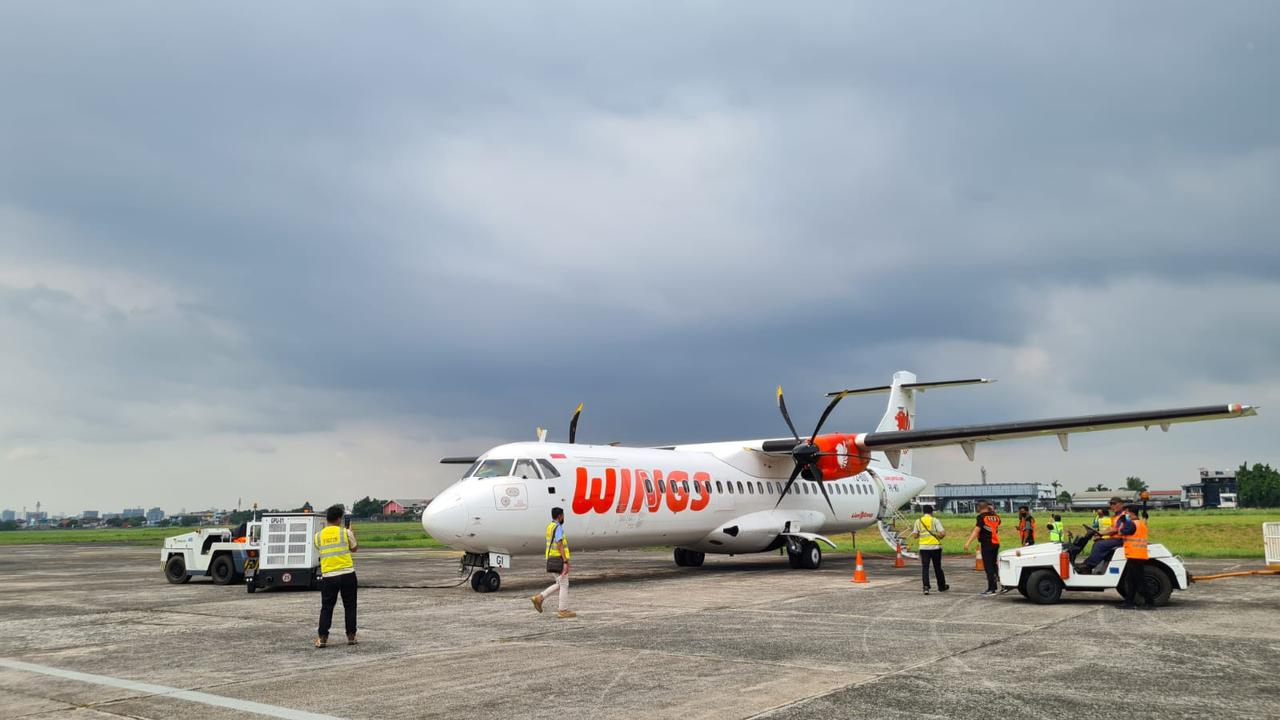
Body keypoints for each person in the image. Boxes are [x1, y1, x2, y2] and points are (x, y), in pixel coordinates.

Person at [313, 504, 358, 648]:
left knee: (327, 607)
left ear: (327, 519)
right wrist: (352, 533)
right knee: (350, 606)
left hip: (329, 576)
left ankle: (322, 638)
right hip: (347, 574)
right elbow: (354, 548)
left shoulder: (318, 536)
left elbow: (320, 548)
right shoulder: (345, 533)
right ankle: (351, 636)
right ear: (339, 519)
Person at [531, 507, 575, 619]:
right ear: (560, 516)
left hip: (551, 558)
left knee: (560, 583)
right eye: (563, 515)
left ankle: (539, 598)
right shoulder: (558, 527)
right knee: (564, 584)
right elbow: (559, 544)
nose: (564, 517)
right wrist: (565, 561)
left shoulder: (550, 527)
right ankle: (563, 610)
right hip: (558, 559)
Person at [1116, 505, 1156, 610]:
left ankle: (1150, 602)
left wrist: (1122, 523)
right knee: (1131, 580)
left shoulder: (1131, 524)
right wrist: (1145, 518)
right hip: (1138, 555)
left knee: (1139, 581)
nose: (1125, 514)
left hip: (1134, 555)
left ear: (1131, 512)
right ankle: (1129, 602)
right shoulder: (1141, 523)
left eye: (1126, 512)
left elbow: (1120, 532)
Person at [1078, 497, 1130, 574]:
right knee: (1097, 542)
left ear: (1121, 504)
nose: (1112, 506)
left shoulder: (1123, 516)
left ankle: (1089, 565)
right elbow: (1111, 528)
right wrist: (1100, 534)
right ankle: (1090, 564)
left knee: (1099, 545)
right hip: (1116, 539)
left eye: (1114, 504)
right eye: (1111, 504)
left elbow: (1115, 529)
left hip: (1121, 539)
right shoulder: (1115, 516)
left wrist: (1101, 533)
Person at [962, 501, 1002, 595]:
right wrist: (992, 511)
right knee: (994, 565)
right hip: (995, 543)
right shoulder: (996, 517)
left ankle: (991, 589)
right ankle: (998, 585)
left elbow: (976, 531)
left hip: (987, 544)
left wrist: (968, 542)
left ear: (979, 507)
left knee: (988, 567)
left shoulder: (981, 517)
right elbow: (997, 524)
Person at [911, 505, 948, 595]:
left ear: (923, 512)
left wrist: (921, 534)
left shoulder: (918, 521)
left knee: (925, 568)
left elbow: (915, 536)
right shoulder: (935, 520)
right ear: (932, 512)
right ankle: (941, 586)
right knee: (937, 568)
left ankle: (926, 587)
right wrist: (938, 536)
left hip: (923, 548)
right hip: (935, 547)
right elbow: (943, 533)